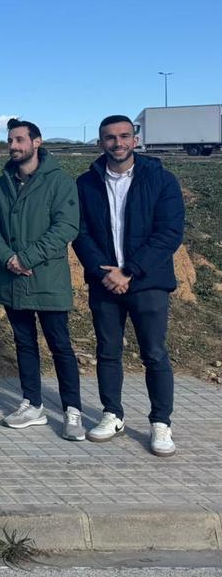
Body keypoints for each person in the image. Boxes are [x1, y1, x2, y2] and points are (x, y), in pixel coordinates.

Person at [73, 114, 185, 457]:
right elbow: (80, 231)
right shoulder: (86, 183)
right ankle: (112, 414)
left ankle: (161, 423)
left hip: (148, 281)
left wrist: (130, 271)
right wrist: (102, 270)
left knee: (154, 353)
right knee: (107, 352)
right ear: (100, 142)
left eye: (124, 136)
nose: (117, 143)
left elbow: (169, 233)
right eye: (110, 137)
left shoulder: (161, 180)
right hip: (104, 281)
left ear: (134, 139)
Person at [0, 118, 84, 441]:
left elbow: (65, 227)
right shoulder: (3, 183)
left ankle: (72, 410)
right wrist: (8, 258)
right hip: (13, 279)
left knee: (60, 346)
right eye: (10, 141)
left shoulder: (59, 182)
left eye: (19, 140)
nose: (13, 146)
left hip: (46, 278)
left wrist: (26, 258)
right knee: (24, 343)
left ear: (36, 142)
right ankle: (32, 403)